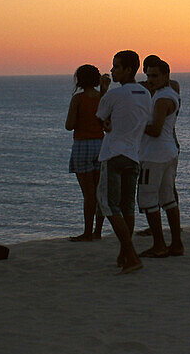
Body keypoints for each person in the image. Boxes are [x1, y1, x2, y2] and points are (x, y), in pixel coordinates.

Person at [96, 50, 152, 273]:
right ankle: (124, 253)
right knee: (127, 207)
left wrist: (103, 90)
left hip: (113, 154)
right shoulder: (145, 94)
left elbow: (101, 117)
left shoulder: (114, 95)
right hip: (134, 155)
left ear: (128, 69)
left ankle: (131, 254)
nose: (112, 71)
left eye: (116, 67)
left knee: (109, 206)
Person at [137, 59, 184, 256]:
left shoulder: (162, 99)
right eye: (148, 75)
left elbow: (155, 130)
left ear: (166, 76)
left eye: (155, 76)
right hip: (169, 152)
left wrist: (135, 126)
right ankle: (176, 244)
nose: (151, 80)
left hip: (154, 155)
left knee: (148, 199)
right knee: (168, 198)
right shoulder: (170, 93)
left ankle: (159, 245)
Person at [65, 64, 105, 241]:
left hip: (83, 145)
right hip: (101, 144)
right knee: (99, 191)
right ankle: (98, 231)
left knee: (88, 194)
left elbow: (69, 125)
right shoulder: (102, 98)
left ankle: (87, 232)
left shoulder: (78, 99)